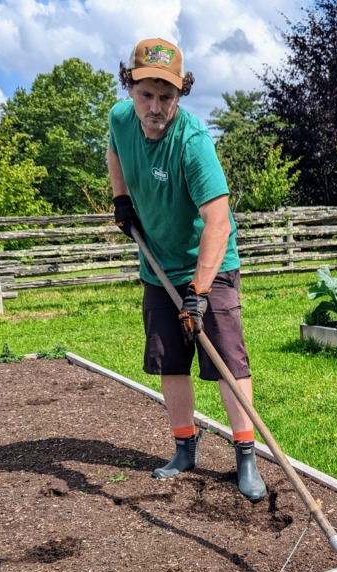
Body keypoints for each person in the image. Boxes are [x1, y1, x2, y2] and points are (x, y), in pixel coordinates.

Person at [107, 37, 266, 502]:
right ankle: (185, 447)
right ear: (130, 89)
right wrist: (120, 198)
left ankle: (245, 456)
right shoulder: (120, 119)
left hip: (209, 264)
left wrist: (197, 292)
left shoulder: (192, 142)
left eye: (167, 97)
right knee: (168, 359)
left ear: (181, 94)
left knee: (227, 363)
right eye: (146, 95)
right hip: (158, 263)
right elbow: (115, 151)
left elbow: (218, 221)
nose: (155, 107)